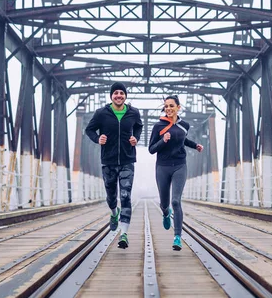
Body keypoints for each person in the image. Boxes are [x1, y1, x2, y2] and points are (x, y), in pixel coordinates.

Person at [85, 82, 143, 249]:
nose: (119, 95)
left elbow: (139, 127)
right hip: (108, 161)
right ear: (111, 96)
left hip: (127, 160)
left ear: (125, 96)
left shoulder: (133, 113)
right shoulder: (101, 113)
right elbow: (89, 130)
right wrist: (98, 139)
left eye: (122, 93)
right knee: (111, 197)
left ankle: (123, 234)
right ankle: (114, 213)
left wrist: (136, 138)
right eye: (116, 93)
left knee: (125, 196)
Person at [148, 95, 203, 251]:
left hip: (180, 165)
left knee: (176, 201)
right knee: (165, 204)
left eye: (171, 106)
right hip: (162, 167)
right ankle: (166, 213)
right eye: (166, 106)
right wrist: (162, 141)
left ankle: (177, 237)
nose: (169, 109)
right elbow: (151, 149)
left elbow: (182, 139)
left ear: (178, 107)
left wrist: (195, 145)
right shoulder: (158, 126)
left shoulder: (185, 125)